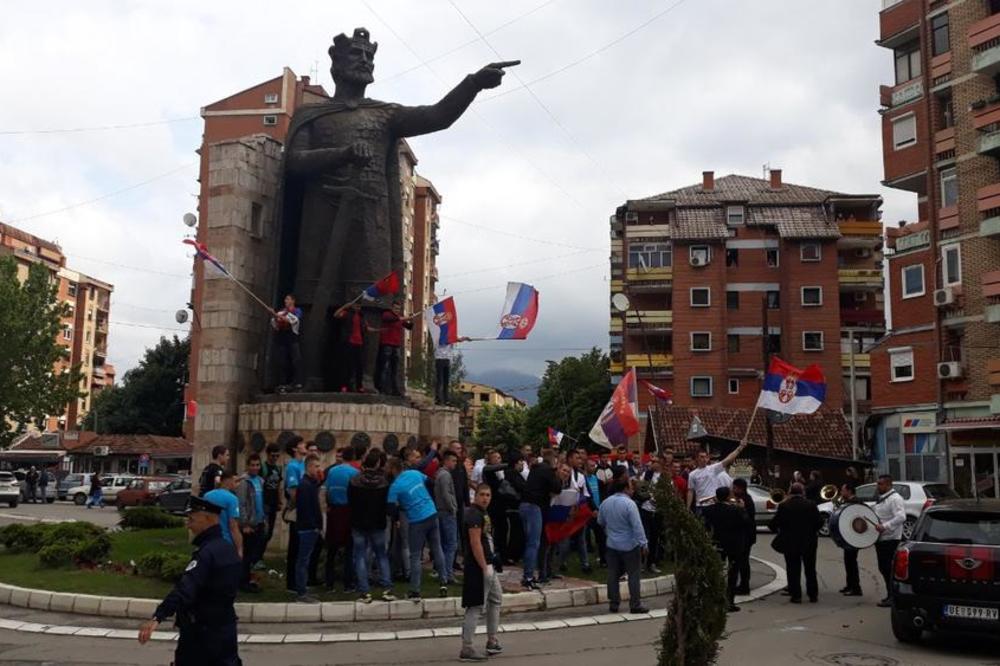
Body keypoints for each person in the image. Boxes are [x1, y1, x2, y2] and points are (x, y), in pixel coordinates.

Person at [137, 496, 242, 666]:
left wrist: (158, 617)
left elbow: (186, 589)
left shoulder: (207, 554)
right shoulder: (227, 550)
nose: (188, 525)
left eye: (192, 519)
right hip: (225, 629)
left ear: (207, 519)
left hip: (201, 633)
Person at [387, 457, 451, 600]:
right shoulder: (415, 473)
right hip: (431, 512)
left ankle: (415, 590)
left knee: (415, 555)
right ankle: (443, 582)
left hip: (416, 520)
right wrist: (427, 498)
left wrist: (400, 512)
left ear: (393, 470)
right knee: (437, 548)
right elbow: (431, 482)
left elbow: (390, 508)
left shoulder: (395, 486)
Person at [459, 484, 504, 662]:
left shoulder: (482, 513)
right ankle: (467, 648)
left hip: (489, 563)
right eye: (482, 495)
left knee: (495, 599)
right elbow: (475, 542)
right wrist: (484, 567)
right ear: (475, 496)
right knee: (475, 606)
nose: (485, 498)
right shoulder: (474, 514)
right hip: (479, 566)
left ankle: (492, 640)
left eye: (488, 495)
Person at [348, 449, 396, 603]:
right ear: (377, 464)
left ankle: (364, 592)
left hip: (359, 522)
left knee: (360, 556)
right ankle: (387, 589)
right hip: (378, 523)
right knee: (382, 555)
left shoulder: (354, 481)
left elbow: (350, 501)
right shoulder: (384, 483)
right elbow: (387, 504)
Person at [597, 475, 649, 615]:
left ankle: (614, 603)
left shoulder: (605, 503)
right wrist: (643, 543)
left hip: (612, 544)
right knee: (633, 574)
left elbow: (600, 521)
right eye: (631, 487)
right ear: (625, 489)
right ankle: (635, 604)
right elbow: (637, 526)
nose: (633, 490)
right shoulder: (629, 504)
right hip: (630, 545)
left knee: (612, 574)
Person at [770, 482, 822, 604]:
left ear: (790, 492)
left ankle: (796, 595)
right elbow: (819, 522)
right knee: (810, 569)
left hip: (790, 542)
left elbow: (773, 524)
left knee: (793, 569)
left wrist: (782, 531)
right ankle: (813, 595)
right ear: (802, 492)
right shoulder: (811, 504)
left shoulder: (784, 505)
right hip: (809, 541)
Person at [519, 449, 561, 590]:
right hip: (534, 507)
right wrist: (558, 474)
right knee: (533, 543)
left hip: (524, 505)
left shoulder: (536, 469)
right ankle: (529, 577)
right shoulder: (548, 470)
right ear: (553, 460)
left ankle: (528, 574)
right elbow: (557, 488)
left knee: (529, 542)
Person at [703, 486, 749, 612]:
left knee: (716, 571)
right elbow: (746, 522)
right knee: (733, 573)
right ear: (728, 496)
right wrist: (743, 508)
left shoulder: (709, 509)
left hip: (717, 543)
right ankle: (729, 602)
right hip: (735, 545)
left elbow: (705, 524)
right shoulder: (736, 510)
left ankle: (715, 599)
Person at [324, 451, 359, 592]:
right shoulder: (354, 472)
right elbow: (356, 494)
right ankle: (348, 584)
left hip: (333, 510)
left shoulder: (331, 471)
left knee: (331, 550)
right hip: (348, 511)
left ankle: (329, 583)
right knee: (349, 550)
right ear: (352, 459)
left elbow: (326, 491)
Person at [686, 441, 747, 515]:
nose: (704, 459)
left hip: (713, 504)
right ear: (697, 458)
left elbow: (728, 459)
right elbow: (690, 491)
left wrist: (740, 448)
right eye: (701, 457)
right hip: (700, 505)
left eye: (706, 457)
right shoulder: (692, 474)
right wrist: (688, 508)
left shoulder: (713, 469)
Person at [873, 473, 906, 607]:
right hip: (881, 539)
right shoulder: (882, 498)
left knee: (888, 569)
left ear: (888, 484)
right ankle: (890, 595)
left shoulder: (895, 499)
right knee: (883, 568)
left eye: (880, 484)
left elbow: (901, 517)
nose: (878, 486)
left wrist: (885, 526)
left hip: (890, 539)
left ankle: (893, 597)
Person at [294, 455, 324, 603]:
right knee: (303, 560)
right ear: (309, 467)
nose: (319, 469)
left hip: (310, 527)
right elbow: (306, 509)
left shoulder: (311, 484)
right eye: (317, 466)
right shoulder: (305, 485)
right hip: (307, 528)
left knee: (305, 559)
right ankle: (301, 592)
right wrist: (315, 526)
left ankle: (303, 588)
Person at [235, 454, 267, 592]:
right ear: (247, 466)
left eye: (257, 465)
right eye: (252, 465)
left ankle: (250, 579)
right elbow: (241, 504)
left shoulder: (260, 481)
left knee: (255, 554)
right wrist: (244, 524)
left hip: (259, 522)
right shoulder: (244, 482)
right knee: (247, 555)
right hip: (248, 524)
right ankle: (243, 582)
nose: (255, 468)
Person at [374, 300, 415, 395]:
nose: (397, 310)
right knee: (384, 367)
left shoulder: (399, 318)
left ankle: (394, 389)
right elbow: (391, 320)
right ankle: (380, 388)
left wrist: (411, 319)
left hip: (396, 346)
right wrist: (403, 318)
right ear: (392, 307)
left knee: (394, 369)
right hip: (386, 344)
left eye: (398, 309)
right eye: (395, 308)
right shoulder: (387, 314)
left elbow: (409, 327)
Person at [283, 435, 308, 593]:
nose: (304, 445)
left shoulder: (302, 464)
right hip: (298, 510)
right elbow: (293, 491)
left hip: (304, 509)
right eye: (301, 444)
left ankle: (300, 581)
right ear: (295, 449)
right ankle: (291, 583)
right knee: (295, 547)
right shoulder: (293, 466)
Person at [204, 472, 243, 559]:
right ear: (228, 481)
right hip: (225, 540)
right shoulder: (232, 499)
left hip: (208, 539)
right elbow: (233, 526)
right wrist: (239, 549)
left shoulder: (207, 496)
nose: (237, 484)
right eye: (235, 481)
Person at [436, 450, 461, 580]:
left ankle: (444, 572)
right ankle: (447, 574)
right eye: (453, 461)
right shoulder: (445, 475)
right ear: (446, 461)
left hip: (441, 511)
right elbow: (446, 494)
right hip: (446, 512)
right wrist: (453, 508)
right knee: (451, 544)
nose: (455, 463)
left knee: (445, 544)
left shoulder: (440, 474)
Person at [271, 293, 303, 392]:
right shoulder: (281, 312)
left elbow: (294, 320)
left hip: (292, 337)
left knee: (296, 360)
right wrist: (275, 316)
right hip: (282, 337)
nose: (286, 301)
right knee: (282, 361)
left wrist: (279, 316)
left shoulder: (297, 311)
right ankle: (282, 383)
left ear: (293, 301)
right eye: (285, 299)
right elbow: (274, 324)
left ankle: (297, 382)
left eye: (288, 299)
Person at [838, 481, 864, 597]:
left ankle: (856, 588)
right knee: (848, 561)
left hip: (853, 537)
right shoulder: (850, 501)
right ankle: (850, 585)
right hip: (849, 537)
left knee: (851, 562)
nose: (841, 492)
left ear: (849, 491)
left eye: (843, 490)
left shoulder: (855, 502)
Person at [731, 478, 757, 595]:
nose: (733, 489)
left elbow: (747, 519)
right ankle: (742, 584)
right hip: (743, 535)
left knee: (743, 561)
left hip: (745, 536)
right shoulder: (742, 498)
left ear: (740, 488)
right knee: (742, 561)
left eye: (735, 488)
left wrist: (740, 509)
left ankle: (744, 586)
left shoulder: (746, 500)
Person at [335, 303, 367, 392]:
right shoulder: (347, 314)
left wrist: (379, 330)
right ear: (352, 306)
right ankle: (344, 385)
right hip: (349, 342)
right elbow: (336, 314)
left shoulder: (361, 316)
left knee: (359, 366)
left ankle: (359, 386)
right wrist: (345, 306)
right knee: (347, 365)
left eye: (359, 306)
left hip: (359, 343)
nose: (358, 307)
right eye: (356, 305)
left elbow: (366, 328)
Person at [639, 458, 664, 574]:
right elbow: (640, 489)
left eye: (655, 462)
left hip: (658, 511)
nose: (652, 464)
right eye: (652, 462)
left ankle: (651, 563)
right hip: (646, 509)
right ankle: (641, 563)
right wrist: (648, 496)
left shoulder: (664, 477)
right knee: (645, 537)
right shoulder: (646, 474)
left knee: (655, 538)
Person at [433, 337, 470, 405]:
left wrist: (466, 338)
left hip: (447, 360)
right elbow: (445, 340)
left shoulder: (451, 334)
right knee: (440, 380)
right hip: (439, 359)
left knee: (446, 382)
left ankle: (446, 400)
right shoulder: (438, 334)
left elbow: (459, 339)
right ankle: (437, 399)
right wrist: (453, 339)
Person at [260, 444, 284, 547]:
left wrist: (279, 501)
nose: (275, 458)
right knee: (263, 531)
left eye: (277, 456)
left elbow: (278, 485)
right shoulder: (263, 468)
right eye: (273, 455)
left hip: (273, 503)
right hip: (264, 502)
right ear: (268, 454)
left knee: (269, 532)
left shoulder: (278, 469)